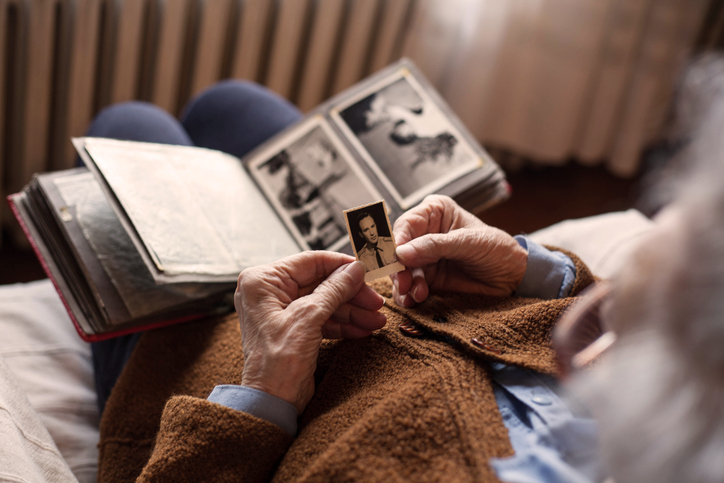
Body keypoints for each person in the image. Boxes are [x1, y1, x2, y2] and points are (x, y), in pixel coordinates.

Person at [90, 80, 601, 482]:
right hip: (441, 287)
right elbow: (634, 323)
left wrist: (266, 391)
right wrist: (528, 269)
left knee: (128, 123)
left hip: (198, 358)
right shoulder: (671, 421)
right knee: (226, 105)